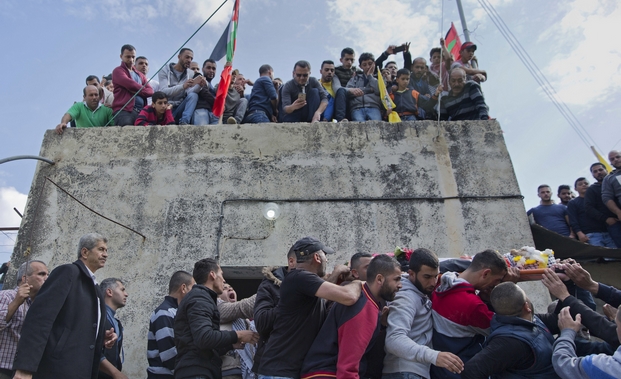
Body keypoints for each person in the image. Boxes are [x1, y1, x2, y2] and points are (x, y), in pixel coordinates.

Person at [12, 233, 117, 379]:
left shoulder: (95, 287)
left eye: (106, 250)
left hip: (81, 370)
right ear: (85, 252)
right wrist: (25, 367)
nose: (105, 254)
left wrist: (100, 338)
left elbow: (74, 327)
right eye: (101, 249)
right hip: (57, 369)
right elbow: (39, 319)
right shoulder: (68, 272)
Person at [258, 237, 362, 379]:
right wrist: (359, 282)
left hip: (286, 371)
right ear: (317, 257)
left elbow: (323, 295)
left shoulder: (302, 283)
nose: (328, 261)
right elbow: (349, 296)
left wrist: (338, 276)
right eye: (326, 256)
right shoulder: (299, 277)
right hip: (280, 372)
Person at [300, 255, 403, 379]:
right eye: (396, 279)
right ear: (379, 279)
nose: (400, 285)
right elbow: (348, 367)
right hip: (327, 374)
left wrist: (380, 325)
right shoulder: (364, 306)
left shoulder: (365, 300)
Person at [383, 248, 464, 379]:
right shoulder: (406, 298)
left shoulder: (419, 291)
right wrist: (434, 356)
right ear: (411, 274)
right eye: (427, 277)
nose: (433, 283)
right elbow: (394, 339)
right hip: (404, 372)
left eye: (435, 276)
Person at [173, 258, 259, 379]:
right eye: (221, 274)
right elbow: (203, 338)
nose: (223, 280)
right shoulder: (199, 299)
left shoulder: (203, 298)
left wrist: (230, 345)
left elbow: (202, 345)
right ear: (212, 275)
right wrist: (238, 335)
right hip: (196, 372)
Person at [430, 249, 509, 379]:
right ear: (486, 273)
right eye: (497, 280)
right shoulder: (473, 305)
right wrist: (507, 290)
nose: (496, 285)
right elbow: (506, 330)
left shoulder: (441, 283)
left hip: (439, 370)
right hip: (461, 370)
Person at [462, 282, 561, 379]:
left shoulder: (529, 320)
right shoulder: (509, 342)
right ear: (527, 307)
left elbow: (555, 321)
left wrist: (564, 294)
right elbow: (472, 370)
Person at [0, 261, 48, 379]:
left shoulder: (41, 305)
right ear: (25, 278)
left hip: (25, 372)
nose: (47, 278)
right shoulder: (6, 296)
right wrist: (17, 302)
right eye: (41, 274)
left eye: (48, 275)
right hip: (3, 368)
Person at [252, 246, 297, 373]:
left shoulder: (315, 287)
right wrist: (292, 298)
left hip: (302, 365)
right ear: (291, 261)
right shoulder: (269, 285)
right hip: (274, 366)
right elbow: (261, 322)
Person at [147, 271, 195, 379]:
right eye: (193, 289)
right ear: (183, 288)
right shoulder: (164, 312)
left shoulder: (177, 312)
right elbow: (168, 354)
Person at [552, 305, 621, 378]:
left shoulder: (602, 367)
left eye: (616, 326)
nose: (615, 330)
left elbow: (563, 363)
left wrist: (567, 332)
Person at [158, 48, 205, 125]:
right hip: (167, 108)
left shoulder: (191, 73)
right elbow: (163, 92)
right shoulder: (164, 70)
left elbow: (189, 92)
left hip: (180, 108)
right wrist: (183, 86)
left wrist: (199, 86)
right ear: (179, 57)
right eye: (187, 57)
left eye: (191, 58)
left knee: (193, 95)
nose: (189, 60)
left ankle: (184, 122)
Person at [218, 284, 256, 379]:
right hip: (227, 371)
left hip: (244, 372)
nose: (230, 289)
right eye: (224, 288)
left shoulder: (244, 321)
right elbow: (242, 307)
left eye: (231, 288)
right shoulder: (217, 310)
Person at [112, 44, 154, 126]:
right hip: (124, 111)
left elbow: (151, 91)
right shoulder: (118, 71)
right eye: (128, 57)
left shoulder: (140, 74)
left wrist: (136, 90)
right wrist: (141, 90)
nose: (131, 60)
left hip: (141, 111)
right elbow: (130, 84)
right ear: (121, 56)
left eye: (133, 57)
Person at [567, 177, 616, 247]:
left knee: (615, 255)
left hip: (607, 232)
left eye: (586, 183)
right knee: (600, 256)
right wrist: (579, 233)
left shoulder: (597, 198)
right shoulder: (573, 202)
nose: (584, 185)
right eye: (580, 184)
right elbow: (573, 220)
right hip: (590, 235)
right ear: (575, 189)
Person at [98, 278, 129, 379]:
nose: (126, 294)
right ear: (109, 292)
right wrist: (115, 373)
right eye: (122, 290)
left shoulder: (116, 322)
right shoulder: (97, 318)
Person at [585, 162, 621, 247]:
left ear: (606, 170)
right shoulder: (591, 190)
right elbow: (589, 208)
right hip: (614, 224)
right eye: (595, 171)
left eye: (600, 170)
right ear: (593, 175)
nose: (598, 172)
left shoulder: (615, 181)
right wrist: (606, 219)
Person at [346, 53, 382, 122]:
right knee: (359, 130)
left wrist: (370, 76)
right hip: (357, 108)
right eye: (364, 65)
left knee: (377, 128)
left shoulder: (379, 78)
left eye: (370, 64)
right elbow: (347, 91)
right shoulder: (355, 79)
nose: (368, 67)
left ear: (374, 64)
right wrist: (369, 90)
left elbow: (378, 91)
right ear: (360, 66)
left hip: (374, 107)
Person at [193, 59, 219, 125]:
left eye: (213, 69)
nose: (211, 70)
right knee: (201, 134)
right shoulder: (198, 77)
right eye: (208, 68)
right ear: (202, 69)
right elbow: (204, 92)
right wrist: (218, 103)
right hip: (202, 110)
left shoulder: (214, 87)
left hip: (214, 114)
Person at [602, 150, 621, 235]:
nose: (616, 160)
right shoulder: (609, 178)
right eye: (612, 159)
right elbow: (606, 197)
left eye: (618, 157)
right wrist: (618, 212)